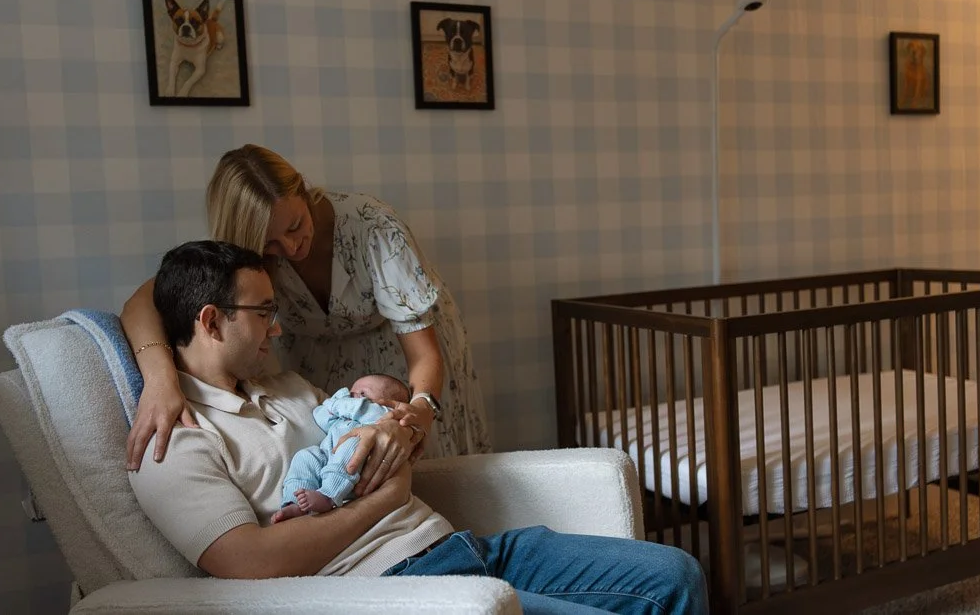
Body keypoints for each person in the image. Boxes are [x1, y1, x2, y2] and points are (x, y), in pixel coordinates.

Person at [130, 240, 708, 614]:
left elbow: (382, 430)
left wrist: (401, 429)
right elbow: (246, 563)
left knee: (675, 574)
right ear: (210, 320)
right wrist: (386, 500)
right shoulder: (174, 440)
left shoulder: (287, 388)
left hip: (459, 544)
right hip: (400, 586)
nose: (277, 330)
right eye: (262, 314)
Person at [121, 143, 491, 481]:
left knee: (429, 473)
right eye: (271, 243)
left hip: (409, 359)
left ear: (303, 191)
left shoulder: (374, 227)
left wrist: (421, 409)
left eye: (296, 225)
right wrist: (160, 380)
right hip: (321, 368)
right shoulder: (241, 258)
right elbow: (143, 302)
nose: (292, 246)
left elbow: (423, 354)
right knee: (340, 466)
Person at [274, 373, 415, 523]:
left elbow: (359, 408)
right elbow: (320, 415)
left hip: (360, 467)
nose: (353, 396)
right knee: (305, 456)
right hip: (329, 456)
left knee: (353, 444)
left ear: (388, 403)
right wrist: (338, 398)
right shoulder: (342, 416)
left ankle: (328, 496)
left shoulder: (383, 414)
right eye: (351, 392)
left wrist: (337, 403)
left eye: (363, 393)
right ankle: (295, 502)